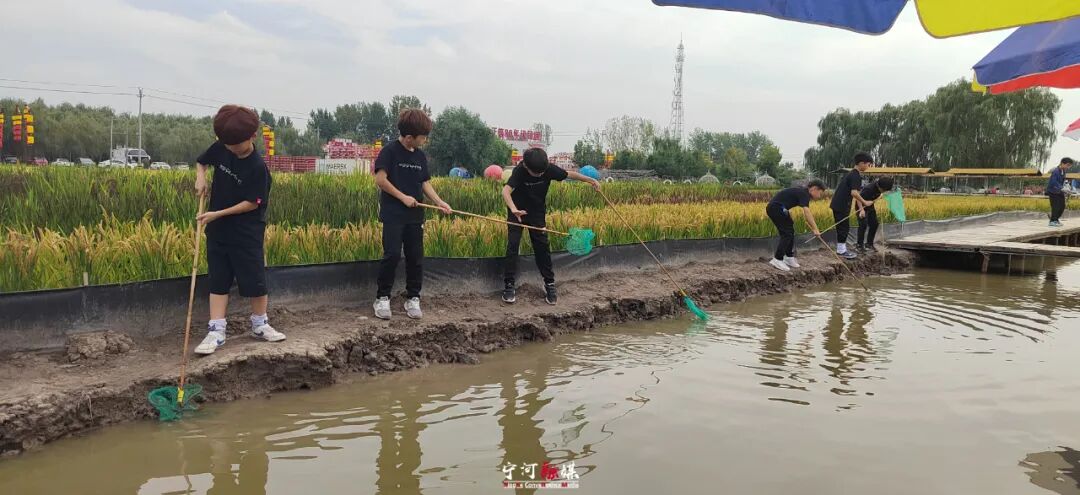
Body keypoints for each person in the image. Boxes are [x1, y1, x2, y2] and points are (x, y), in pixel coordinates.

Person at [193, 105, 283, 355]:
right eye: (227, 144)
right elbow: (202, 161)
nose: (231, 149)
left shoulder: (257, 168)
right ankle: (216, 330)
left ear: (252, 136)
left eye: (236, 145)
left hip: (246, 231)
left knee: (255, 278)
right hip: (217, 230)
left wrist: (217, 214)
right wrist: (201, 177)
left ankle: (260, 324)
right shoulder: (222, 146)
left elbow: (251, 203)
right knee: (218, 278)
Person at [373, 108, 452, 320]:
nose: (425, 140)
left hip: (415, 217)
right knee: (391, 255)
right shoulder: (389, 152)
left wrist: (440, 202)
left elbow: (424, 183)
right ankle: (382, 298)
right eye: (423, 137)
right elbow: (380, 180)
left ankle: (413, 297)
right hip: (393, 215)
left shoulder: (420, 156)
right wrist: (403, 197)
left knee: (415, 257)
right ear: (409, 137)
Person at [502, 148, 600, 304]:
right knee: (513, 246)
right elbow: (506, 191)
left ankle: (549, 283)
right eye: (536, 173)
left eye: (542, 173)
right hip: (517, 212)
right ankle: (509, 284)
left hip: (536, 213)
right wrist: (514, 210)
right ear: (526, 166)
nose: (540, 175)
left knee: (542, 247)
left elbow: (569, 174)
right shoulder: (520, 171)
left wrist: (591, 180)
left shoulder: (547, 168)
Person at [765, 179, 825, 272]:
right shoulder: (804, 194)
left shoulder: (803, 192)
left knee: (790, 230)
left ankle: (788, 257)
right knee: (787, 233)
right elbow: (807, 212)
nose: (819, 196)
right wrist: (815, 229)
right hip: (776, 208)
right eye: (820, 193)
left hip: (781, 209)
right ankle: (777, 259)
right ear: (814, 189)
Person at [830, 153, 874, 259]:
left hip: (840, 204)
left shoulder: (852, 174)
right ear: (861, 163)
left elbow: (856, 193)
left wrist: (861, 208)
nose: (868, 167)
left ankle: (841, 249)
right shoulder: (856, 176)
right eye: (868, 164)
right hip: (842, 205)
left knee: (843, 227)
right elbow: (854, 193)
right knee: (843, 227)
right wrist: (865, 202)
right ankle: (841, 251)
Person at [855, 177, 895, 253]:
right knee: (863, 225)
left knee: (874, 224)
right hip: (861, 207)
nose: (884, 191)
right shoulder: (869, 189)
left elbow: (877, 196)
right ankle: (859, 245)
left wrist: (880, 196)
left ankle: (869, 244)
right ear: (880, 187)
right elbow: (858, 198)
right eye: (884, 190)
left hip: (870, 207)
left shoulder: (880, 188)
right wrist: (861, 210)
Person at [1047, 157, 1073, 227]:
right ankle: (1052, 221)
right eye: (1067, 165)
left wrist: (1066, 187)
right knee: (1056, 206)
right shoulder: (1056, 171)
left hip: (1059, 191)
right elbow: (1053, 182)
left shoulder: (1063, 171)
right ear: (1062, 163)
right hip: (1053, 191)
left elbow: (1063, 181)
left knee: (1062, 206)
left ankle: (1055, 219)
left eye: (1069, 166)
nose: (1068, 167)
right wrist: (1062, 188)